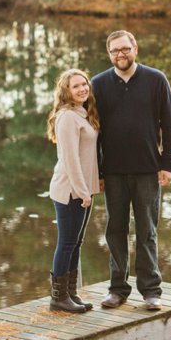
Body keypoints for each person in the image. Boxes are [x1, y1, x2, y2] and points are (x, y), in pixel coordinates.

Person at [92, 30, 171, 311]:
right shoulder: (98, 84)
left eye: (125, 49)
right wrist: (98, 172)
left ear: (135, 49)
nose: (121, 55)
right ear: (109, 54)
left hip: (147, 170)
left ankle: (151, 290)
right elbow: (93, 132)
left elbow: (170, 124)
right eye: (115, 51)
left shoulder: (156, 79)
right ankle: (117, 289)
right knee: (115, 230)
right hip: (113, 171)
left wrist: (167, 163)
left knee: (147, 230)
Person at [46, 68, 101, 313]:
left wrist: (93, 184)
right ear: (66, 91)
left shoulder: (82, 113)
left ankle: (70, 293)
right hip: (70, 190)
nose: (82, 89)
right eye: (75, 86)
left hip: (83, 189)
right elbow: (70, 159)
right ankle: (58, 298)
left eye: (84, 84)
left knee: (76, 243)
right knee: (67, 243)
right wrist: (82, 191)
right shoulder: (67, 116)